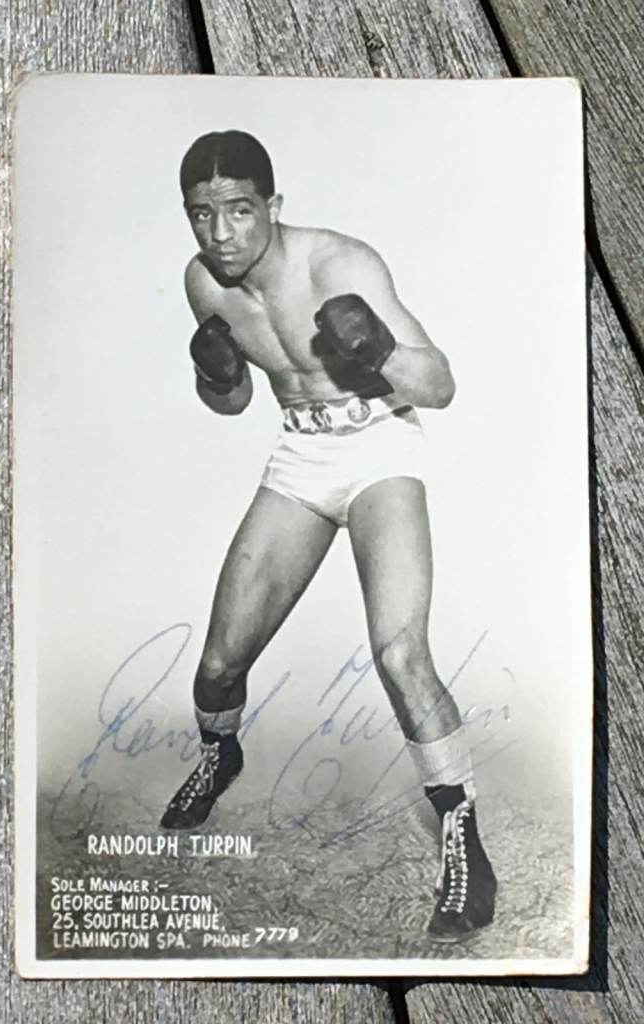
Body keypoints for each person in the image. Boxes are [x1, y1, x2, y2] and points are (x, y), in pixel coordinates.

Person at [160, 129, 497, 942]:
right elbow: (236, 402)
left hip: (380, 444)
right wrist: (213, 370)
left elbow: (440, 384)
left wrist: (376, 350)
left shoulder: (340, 264)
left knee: (400, 654)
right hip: (301, 455)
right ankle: (222, 755)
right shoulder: (204, 283)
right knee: (215, 669)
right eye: (203, 216)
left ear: (272, 206)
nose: (222, 234)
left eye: (240, 211)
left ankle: (465, 845)